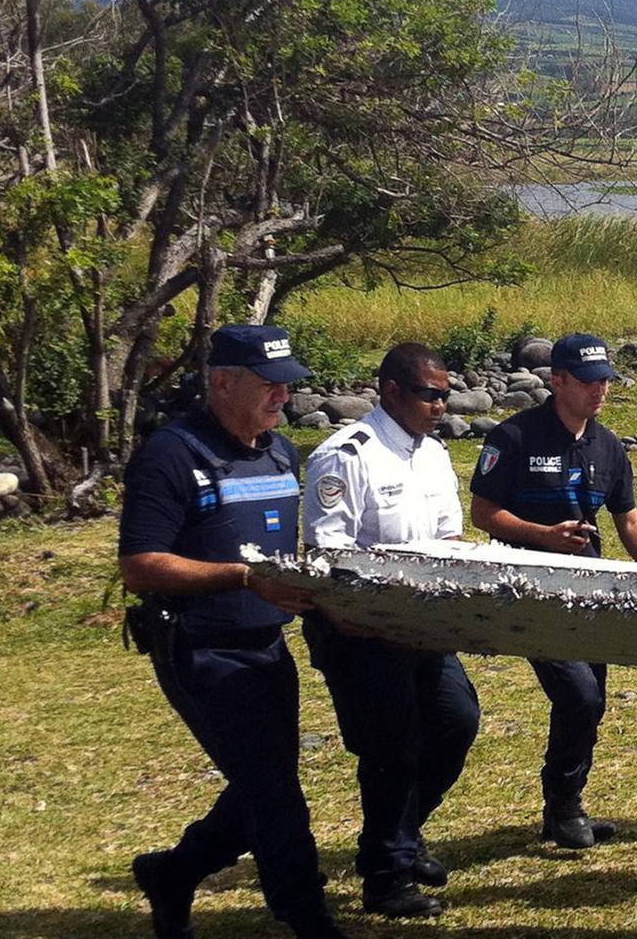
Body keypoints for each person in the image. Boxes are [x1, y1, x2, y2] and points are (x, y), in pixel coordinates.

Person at [117, 325, 345, 939]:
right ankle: (307, 916)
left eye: (287, 386)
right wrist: (243, 579)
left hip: (268, 645)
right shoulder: (172, 454)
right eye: (269, 385)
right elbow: (140, 565)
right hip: (201, 649)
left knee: (262, 784)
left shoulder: (280, 452)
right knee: (274, 791)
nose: (283, 397)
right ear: (221, 382)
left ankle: (173, 872)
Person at [301, 343, 480, 919]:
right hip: (363, 629)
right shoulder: (346, 456)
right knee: (392, 748)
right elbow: (329, 552)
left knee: (456, 722)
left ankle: (402, 834)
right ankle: (384, 876)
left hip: (425, 626)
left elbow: (448, 540)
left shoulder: (433, 455)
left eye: (446, 395)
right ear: (393, 391)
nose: (440, 405)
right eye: (430, 394)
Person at [469, 333, 637, 850]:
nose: (600, 390)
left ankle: (563, 807)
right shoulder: (514, 437)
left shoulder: (608, 444)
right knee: (576, 694)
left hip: (589, 588)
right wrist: (544, 537)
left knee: (592, 698)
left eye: (605, 381)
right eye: (588, 381)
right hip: (529, 589)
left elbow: (629, 517)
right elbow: (483, 514)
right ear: (557, 381)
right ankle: (565, 806)